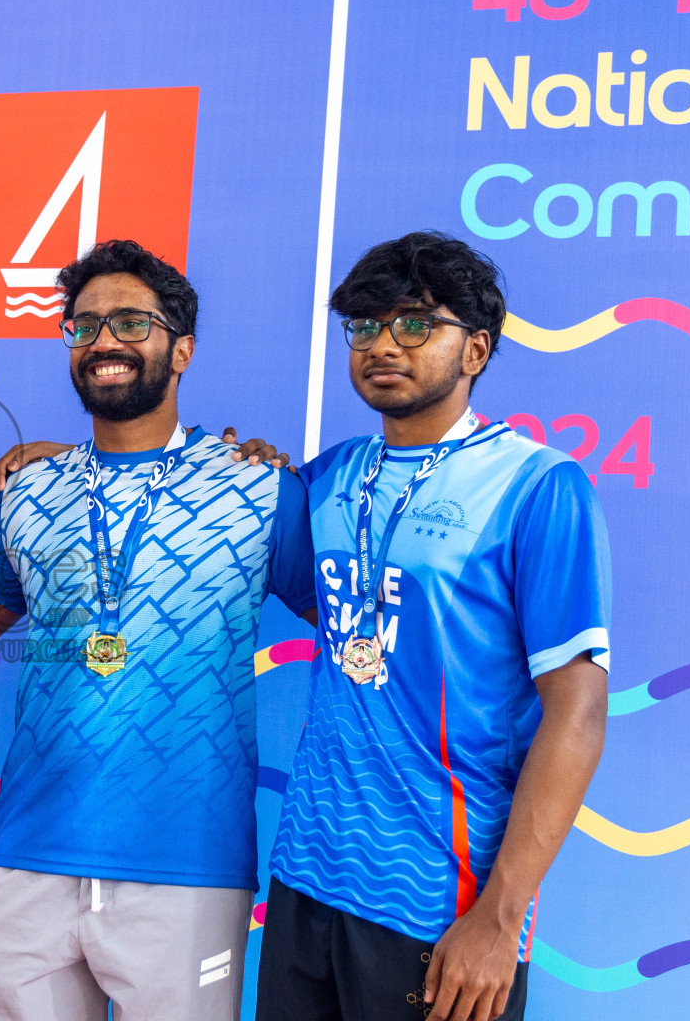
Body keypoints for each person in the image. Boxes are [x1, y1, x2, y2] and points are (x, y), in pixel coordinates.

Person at [0, 239, 316, 1021]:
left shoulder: (258, 486)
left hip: (187, 860)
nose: (104, 342)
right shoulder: (26, 490)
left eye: (129, 322)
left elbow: (362, 626)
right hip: (27, 852)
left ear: (181, 348)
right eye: (83, 326)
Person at [257, 232, 610, 1021]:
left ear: (476, 349)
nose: (384, 344)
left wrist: (501, 915)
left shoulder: (537, 487)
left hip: (438, 903)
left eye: (415, 323)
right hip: (307, 879)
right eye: (365, 326)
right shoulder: (327, 478)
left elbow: (578, 713)